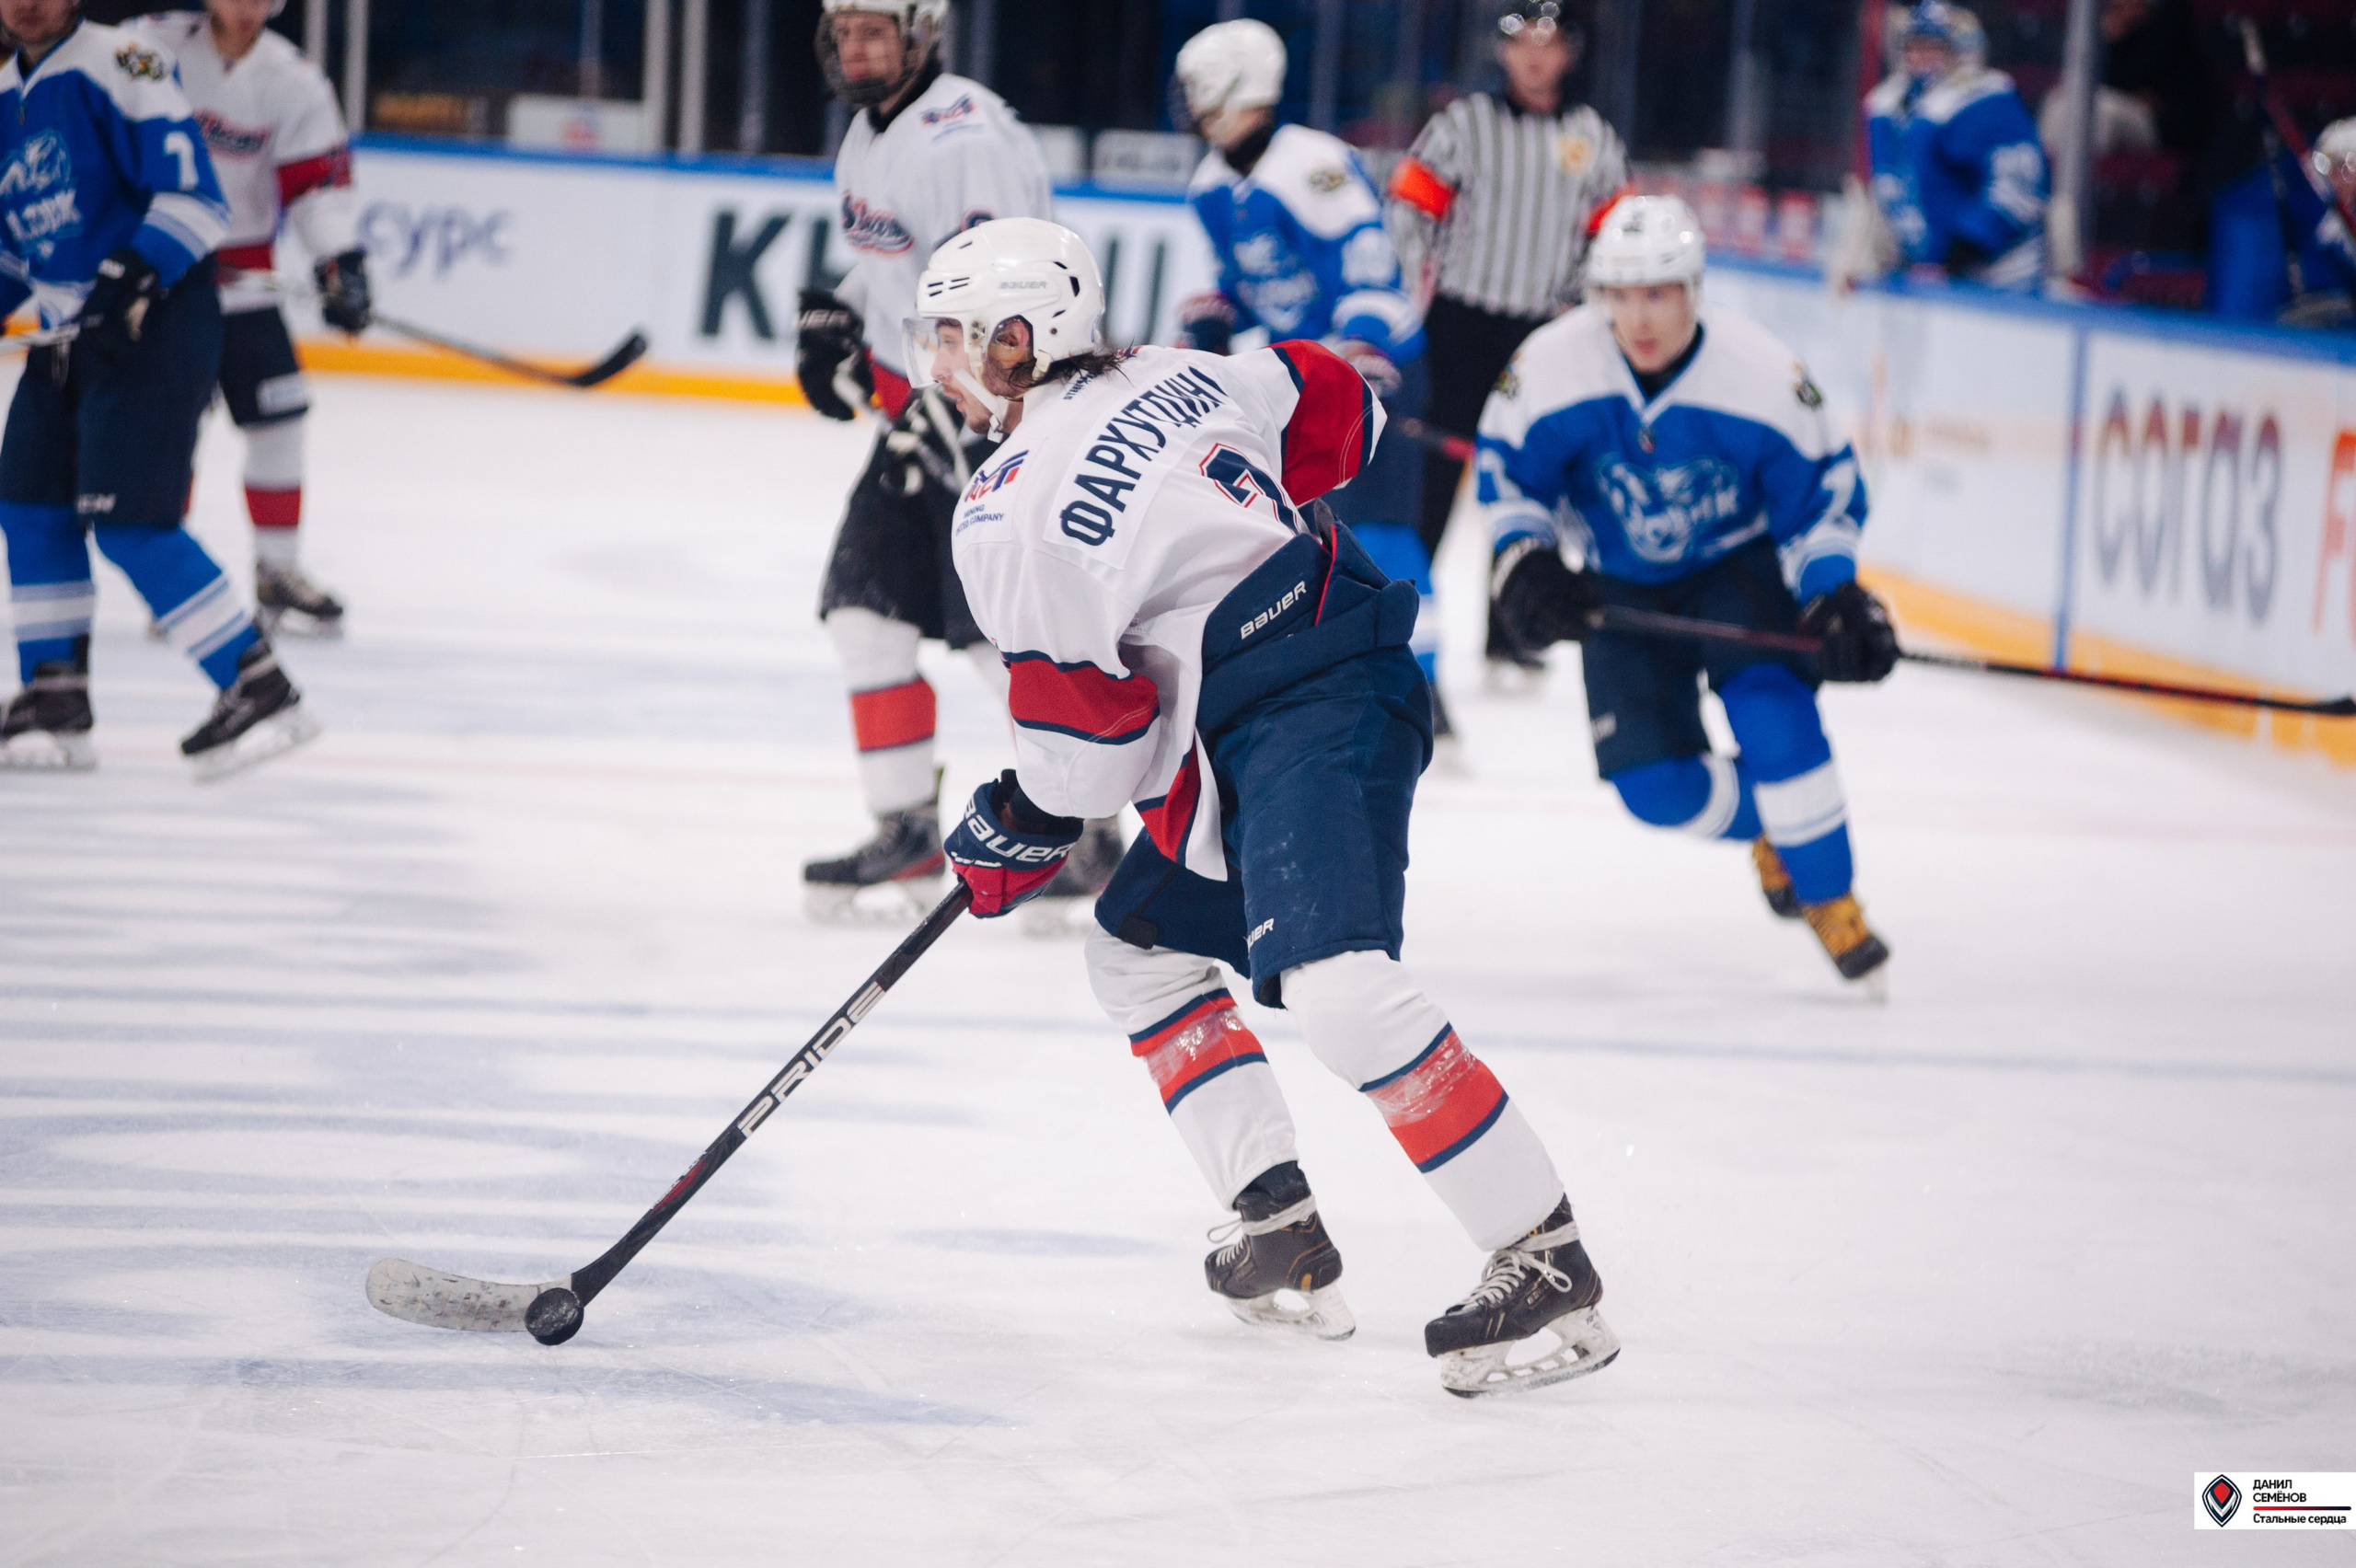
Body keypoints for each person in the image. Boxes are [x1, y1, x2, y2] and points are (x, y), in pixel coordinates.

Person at [915, 215, 1618, 1398]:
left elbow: (1090, 750)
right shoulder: (1173, 371)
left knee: (1340, 989)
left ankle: (1544, 1253)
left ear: (1019, 340)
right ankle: (1277, 1223)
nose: (938, 362)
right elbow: (1340, 402)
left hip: (1306, 711)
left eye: (954, 336)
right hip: (1307, 679)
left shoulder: (1005, 509)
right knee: (1136, 953)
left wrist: (1020, 819)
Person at [1478, 197, 1897, 985]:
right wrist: (1526, 560)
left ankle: (1831, 896)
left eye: (1658, 293)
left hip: (1736, 571)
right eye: (1620, 295)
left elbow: (1821, 497)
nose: (1638, 318)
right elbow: (1510, 479)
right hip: (1621, 582)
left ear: (1694, 290)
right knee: (1654, 788)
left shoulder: (1762, 374)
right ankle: (1782, 830)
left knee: (1777, 724)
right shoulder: (1551, 367)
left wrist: (1834, 593)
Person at [794, 0, 1124, 922]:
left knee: (998, 639)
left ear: (922, 34)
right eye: (845, 32)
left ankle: (1094, 831)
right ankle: (904, 829)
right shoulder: (872, 129)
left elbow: (1006, 297)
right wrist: (839, 315)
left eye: (875, 32)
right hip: (922, 412)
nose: (857, 49)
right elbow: (900, 265)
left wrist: (964, 410)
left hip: (984, 420)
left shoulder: (963, 138)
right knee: (864, 610)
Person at [0, 0, 318, 778]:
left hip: (154, 328)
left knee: (131, 522)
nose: (27, 4)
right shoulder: (6, 94)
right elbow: (16, 250)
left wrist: (134, 271)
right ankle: (54, 694)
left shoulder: (124, 63)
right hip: (66, 339)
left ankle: (258, 685)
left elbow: (194, 199)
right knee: (30, 504)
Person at [1171, 19, 1452, 744]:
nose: (1191, 101)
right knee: (1300, 529)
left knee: (1381, 529)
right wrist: (1209, 326)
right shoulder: (1211, 184)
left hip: (1377, 369)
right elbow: (1238, 287)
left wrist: (1361, 355)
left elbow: (1370, 268)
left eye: (1200, 86)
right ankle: (1336, 665)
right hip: (1303, 379)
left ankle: (1426, 687)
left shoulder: (1311, 165)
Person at [1384, 0, 1624, 679]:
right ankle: (1404, 624)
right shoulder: (1465, 124)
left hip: (1540, 337)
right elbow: (1407, 206)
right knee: (1432, 482)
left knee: (1525, 481)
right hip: (1458, 324)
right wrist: (1418, 280)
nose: (1535, 56)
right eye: (1523, 42)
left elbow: (1612, 234)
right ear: (1502, 50)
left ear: (1569, 52)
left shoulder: (1592, 136)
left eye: (1549, 42)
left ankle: (1512, 631)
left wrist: (1577, 301)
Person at [128, 0, 371, 638]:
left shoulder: (293, 79)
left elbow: (318, 184)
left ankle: (278, 571)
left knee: (281, 420)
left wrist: (340, 262)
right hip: (158, 282)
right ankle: (171, 579)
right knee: (171, 431)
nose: (247, 6)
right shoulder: (148, 49)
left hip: (246, 289)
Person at [1865, 2, 2049, 292]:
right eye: (1914, 46)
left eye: (1932, 48)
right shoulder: (1888, 105)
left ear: (1961, 50)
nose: (1919, 58)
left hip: (1996, 278)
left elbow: (2016, 194)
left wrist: (1956, 259)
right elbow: (1892, 190)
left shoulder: (1987, 100)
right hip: (1926, 274)